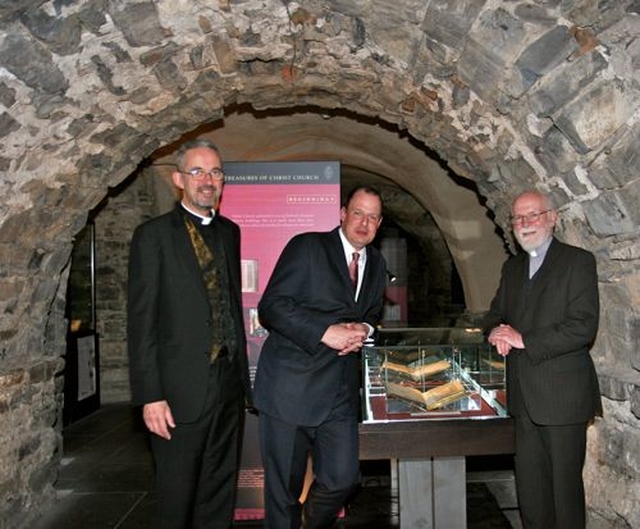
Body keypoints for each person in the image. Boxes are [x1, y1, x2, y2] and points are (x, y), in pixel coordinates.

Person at [127, 138, 251, 528]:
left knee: (219, 491)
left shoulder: (230, 231)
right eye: (197, 171)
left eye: (215, 172)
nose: (207, 180)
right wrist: (151, 396)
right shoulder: (153, 236)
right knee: (176, 496)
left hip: (228, 385)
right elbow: (141, 321)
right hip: (178, 391)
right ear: (180, 179)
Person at [254, 185, 388, 529]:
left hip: (339, 392)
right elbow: (272, 307)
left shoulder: (376, 263)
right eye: (358, 213)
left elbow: (371, 314)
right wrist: (325, 332)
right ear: (343, 213)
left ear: (380, 223)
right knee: (283, 491)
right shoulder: (309, 246)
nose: (364, 222)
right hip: (289, 388)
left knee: (343, 479)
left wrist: (364, 330)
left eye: (372, 217)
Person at [483, 190, 601, 529]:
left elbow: (583, 326)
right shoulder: (512, 267)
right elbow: (494, 315)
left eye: (533, 215)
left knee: (564, 496)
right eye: (518, 218)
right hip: (522, 399)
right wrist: (495, 331)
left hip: (563, 398)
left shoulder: (578, 261)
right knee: (531, 494)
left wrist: (523, 339)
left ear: (553, 217)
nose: (524, 223)